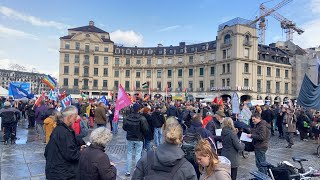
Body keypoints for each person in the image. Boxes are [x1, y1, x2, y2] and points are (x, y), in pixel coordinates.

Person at [132, 120, 197, 180]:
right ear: (182, 138)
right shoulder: (187, 167)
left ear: (164, 136)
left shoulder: (146, 158)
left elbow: (136, 178)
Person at [44, 106, 84, 179]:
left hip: (56, 170)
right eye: (74, 118)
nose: (75, 120)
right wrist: (83, 152)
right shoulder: (63, 132)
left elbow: (47, 151)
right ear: (69, 117)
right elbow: (71, 155)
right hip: (62, 174)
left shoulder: (60, 129)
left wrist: (78, 147)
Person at [123, 103, 149, 177]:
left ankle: (128, 171)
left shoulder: (128, 117)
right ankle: (137, 170)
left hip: (130, 137)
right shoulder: (142, 118)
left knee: (129, 154)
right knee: (138, 154)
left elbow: (124, 128)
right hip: (139, 138)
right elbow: (146, 129)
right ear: (139, 109)